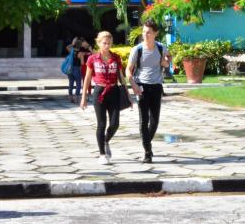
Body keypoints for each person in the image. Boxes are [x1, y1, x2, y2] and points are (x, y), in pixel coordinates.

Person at [80, 31, 129, 165]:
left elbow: (121, 77)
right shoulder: (92, 59)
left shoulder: (116, 58)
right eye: (104, 43)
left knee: (115, 124)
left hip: (114, 91)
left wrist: (127, 93)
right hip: (99, 92)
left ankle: (106, 140)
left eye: (109, 43)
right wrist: (84, 97)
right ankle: (102, 154)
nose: (107, 46)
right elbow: (87, 78)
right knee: (101, 124)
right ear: (98, 43)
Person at [127, 20, 171, 164]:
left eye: (149, 32)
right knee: (143, 120)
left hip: (156, 87)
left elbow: (168, 57)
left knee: (155, 121)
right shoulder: (137, 49)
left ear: (155, 34)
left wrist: (166, 62)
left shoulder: (160, 47)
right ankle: (147, 152)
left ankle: (146, 141)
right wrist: (133, 84)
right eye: (144, 32)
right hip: (141, 87)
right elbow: (128, 69)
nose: (145, 34)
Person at [65, 37, 84, 103]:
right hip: (77, 69)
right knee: (78, 84)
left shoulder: (71, 50)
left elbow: (67, 47)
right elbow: (82, 63)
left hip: (70, 69)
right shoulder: (80, 53)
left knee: (71, 83)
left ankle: (70, 98)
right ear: (80, 45)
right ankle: (77, 98)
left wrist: (72, 44)